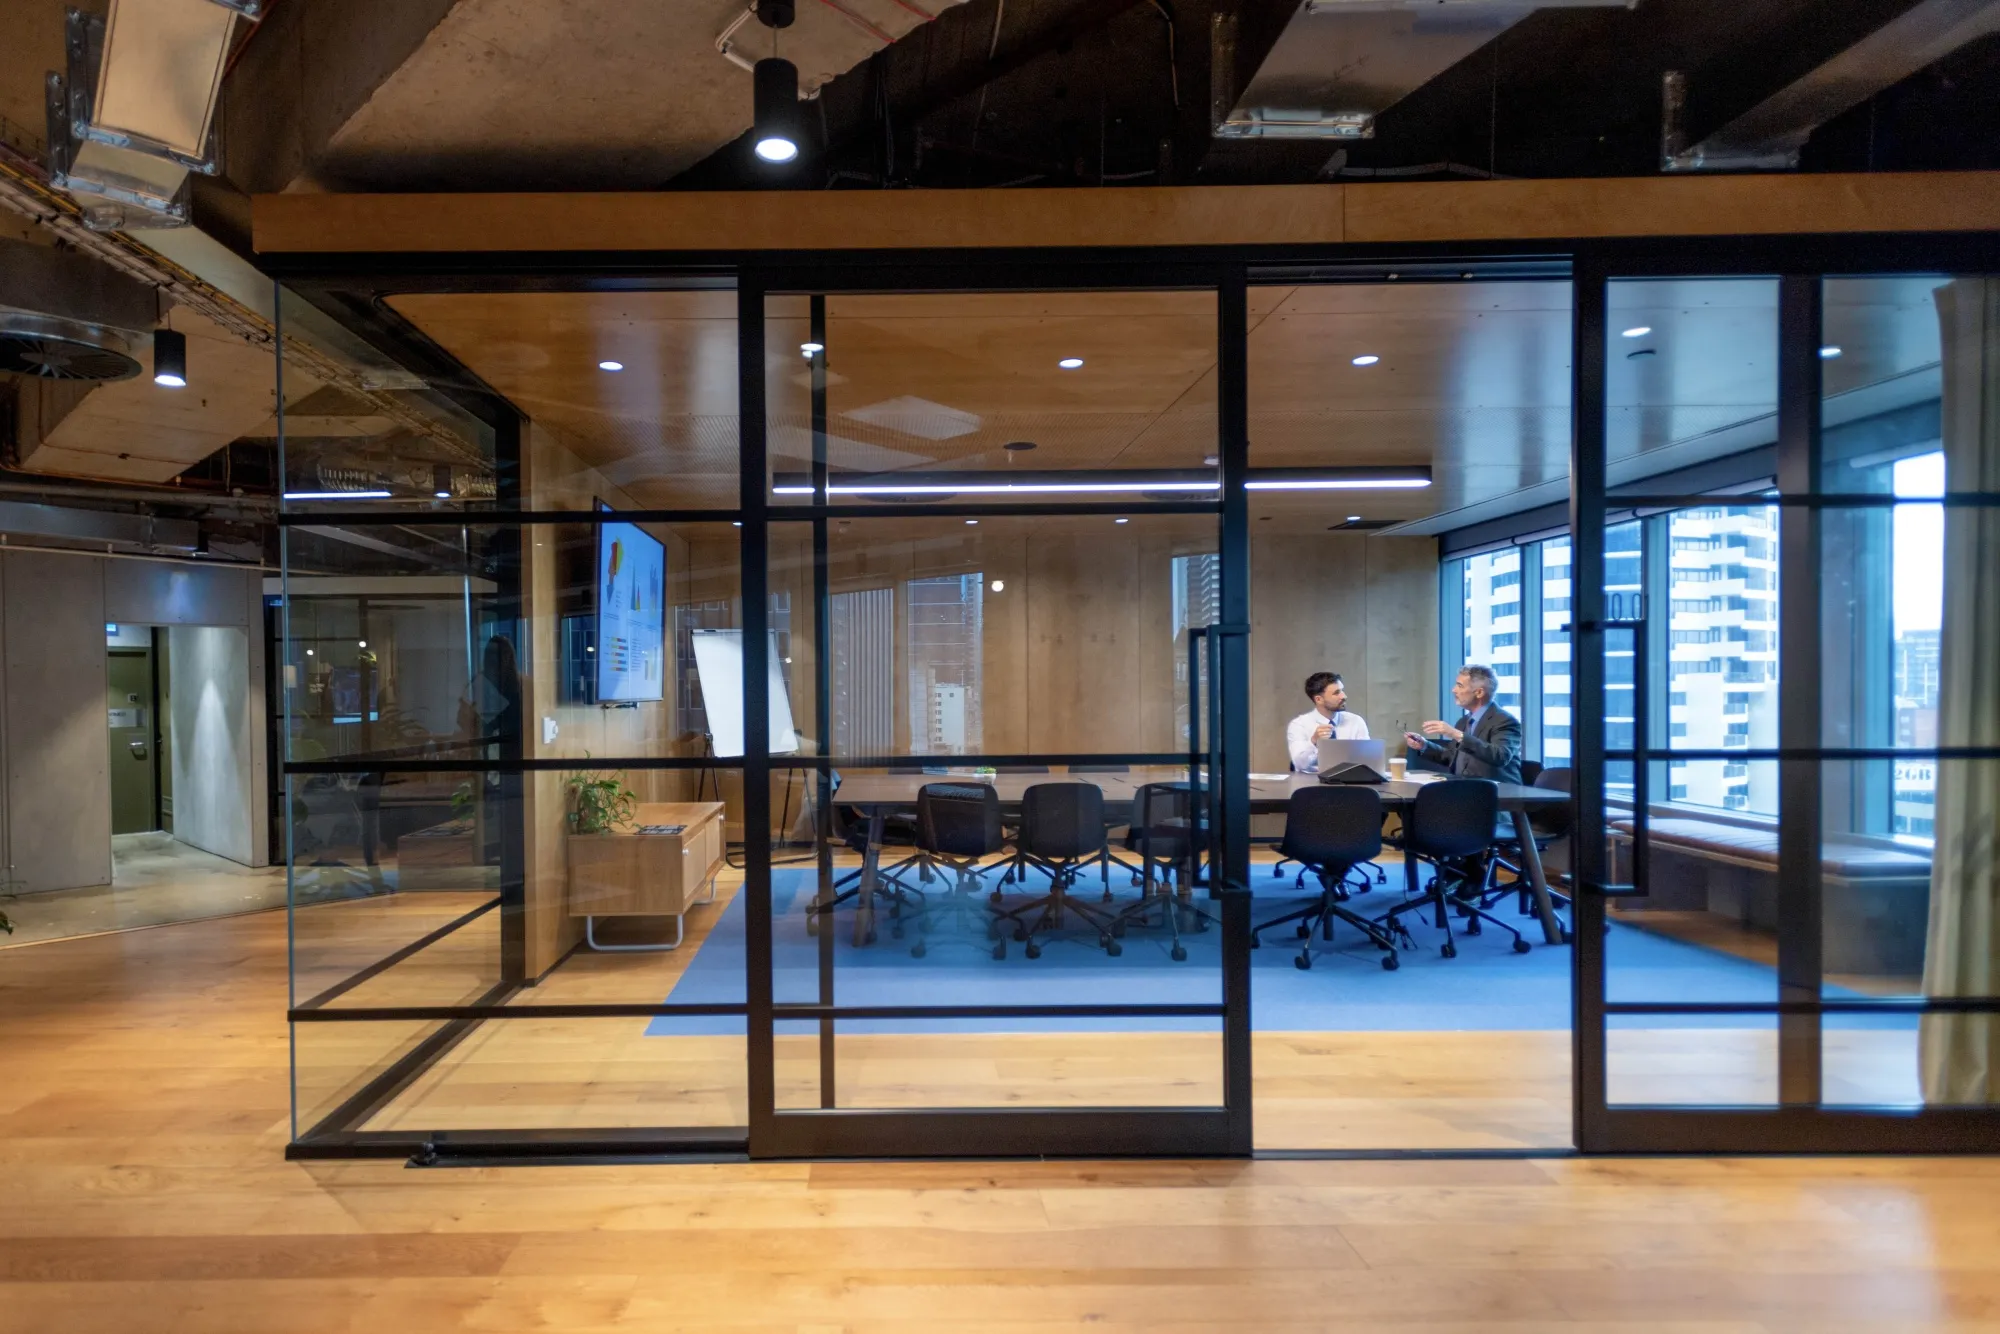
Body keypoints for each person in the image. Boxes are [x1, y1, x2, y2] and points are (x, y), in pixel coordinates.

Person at [1403, 663, 1523, 784]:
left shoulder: (1505, 721)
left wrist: (1457, 734)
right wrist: (1424, 745)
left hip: (1499, 794)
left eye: (1460, 686)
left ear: (1479, 693)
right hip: (1465, 791)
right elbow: (1450, 757)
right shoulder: (1464, 721)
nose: (1454, 690)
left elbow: (1500, 757)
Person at [1287, 671, 1370, 773]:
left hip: (1350, 780)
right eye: (1336, 693)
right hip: (1312, 782)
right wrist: (1314, 741)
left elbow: (1367, 760)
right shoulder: (1299, 725)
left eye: (1342, 691)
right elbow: (1299, 764)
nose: (1344, 696)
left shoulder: (1355, 721)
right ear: (1319, 699)